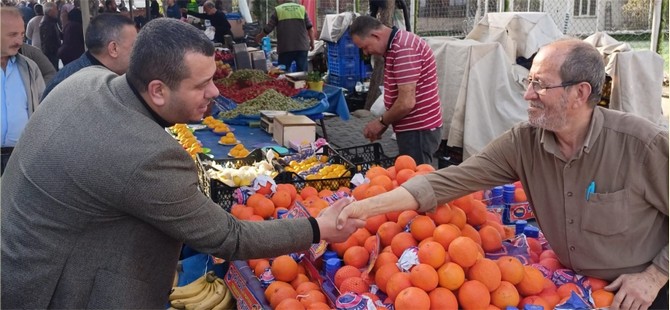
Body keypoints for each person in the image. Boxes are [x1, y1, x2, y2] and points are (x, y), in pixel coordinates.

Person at [1, 18, 364, 308]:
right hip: (56, 287)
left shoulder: (88, 79)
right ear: (157, 90)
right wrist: (317, 228)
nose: (216, 92)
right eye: (202, 84)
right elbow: (227, 236)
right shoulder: (146, 155)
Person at [337, 38, 669, 310]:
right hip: (573, 288)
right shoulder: (523, 142)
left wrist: (655, 276)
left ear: (579, 94)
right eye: (529, 82)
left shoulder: (642, 145)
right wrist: (361, 208)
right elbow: (447, 180)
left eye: (539, 85)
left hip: (642, 293)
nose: (527, 94)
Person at [349, 16, 443, 165]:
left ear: (375, 35)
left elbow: (406, 102)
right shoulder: (396, 46)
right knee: (410, 176)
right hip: (413, 130)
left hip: (418, 130)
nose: (366, 53)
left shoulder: (404, 49)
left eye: (365, 47)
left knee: (416, 181)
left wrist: (381, 122)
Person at [42, 13, 136, 100]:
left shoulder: (98, 76)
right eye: (134, 45)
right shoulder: (73, 87)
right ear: (113, 49)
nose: (138, 51)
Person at [0, 7, 45, 174]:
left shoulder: (29, 67)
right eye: (12, 35)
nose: (19, 41)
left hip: (20, 157)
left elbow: (42, 108)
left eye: (21, 34)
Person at [255, 0, 314, 72]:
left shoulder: (278, 10)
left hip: (285, 48)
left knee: (283, 74)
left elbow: (269, 28)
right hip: (302, 47)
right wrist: (312, 42)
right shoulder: (302, 9)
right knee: (302, 74)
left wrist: (259, 37)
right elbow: (310, 28)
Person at [39, 1, 61, 70]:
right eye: (55, 9)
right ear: (50, 11)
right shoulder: (47, 23)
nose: (57, 11)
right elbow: (47, 41)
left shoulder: (51, 21)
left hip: (53, 52)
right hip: (51, 53)